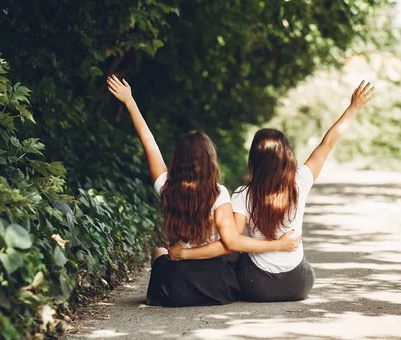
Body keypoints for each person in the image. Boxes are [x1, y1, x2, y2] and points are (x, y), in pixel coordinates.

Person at [169, 81, 375, 302]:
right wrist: (353, 108)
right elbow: (328, 143)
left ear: (254, 161)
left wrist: (188, 253)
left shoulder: (243, 194)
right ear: (287, 156)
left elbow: (232, 243)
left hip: (256, 287)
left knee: (236, 257)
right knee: (304, 267)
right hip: (298, 285)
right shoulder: (300, 181)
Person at [106, 75, 301, 307]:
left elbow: (148, 141)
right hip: (216, 287)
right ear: (211, 162)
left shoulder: (167, 187)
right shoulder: (219, 194)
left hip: (173, 288)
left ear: (178, 161)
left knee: (159, 252)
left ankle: (164, 286)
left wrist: (130, 102)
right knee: (236, 255)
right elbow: (228, 243)